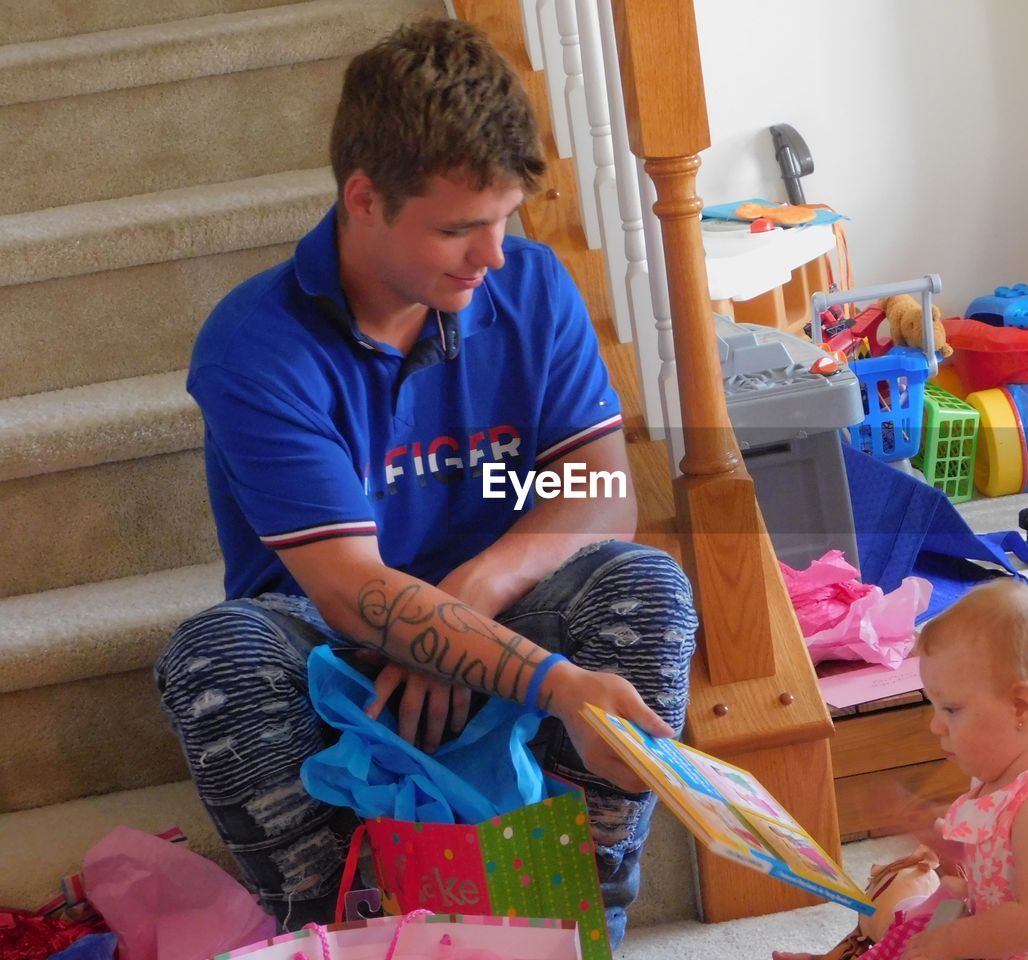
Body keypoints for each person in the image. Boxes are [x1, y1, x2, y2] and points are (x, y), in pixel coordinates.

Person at [153, 16, 697, 946]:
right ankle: (347, 934)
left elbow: (603, 495)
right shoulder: (253, 345)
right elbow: (354, 594)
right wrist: (556, 683)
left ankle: (571, 925)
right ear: (364, 199)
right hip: (336, 651)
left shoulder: (528, 284)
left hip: (501, 614)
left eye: (504, 221)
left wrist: (470, 601)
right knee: (217, 656)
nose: (493, 258)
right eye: (458, 229)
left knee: (643, 587)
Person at [774, 579, 1028, 960]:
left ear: (1021, 708)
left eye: (951, 710)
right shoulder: (1005, 778)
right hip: (997, 927)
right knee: (915, 923)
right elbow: (993, 854)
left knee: (928, 932)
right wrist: (926, 825)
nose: (934, 725)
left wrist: (951, 943)